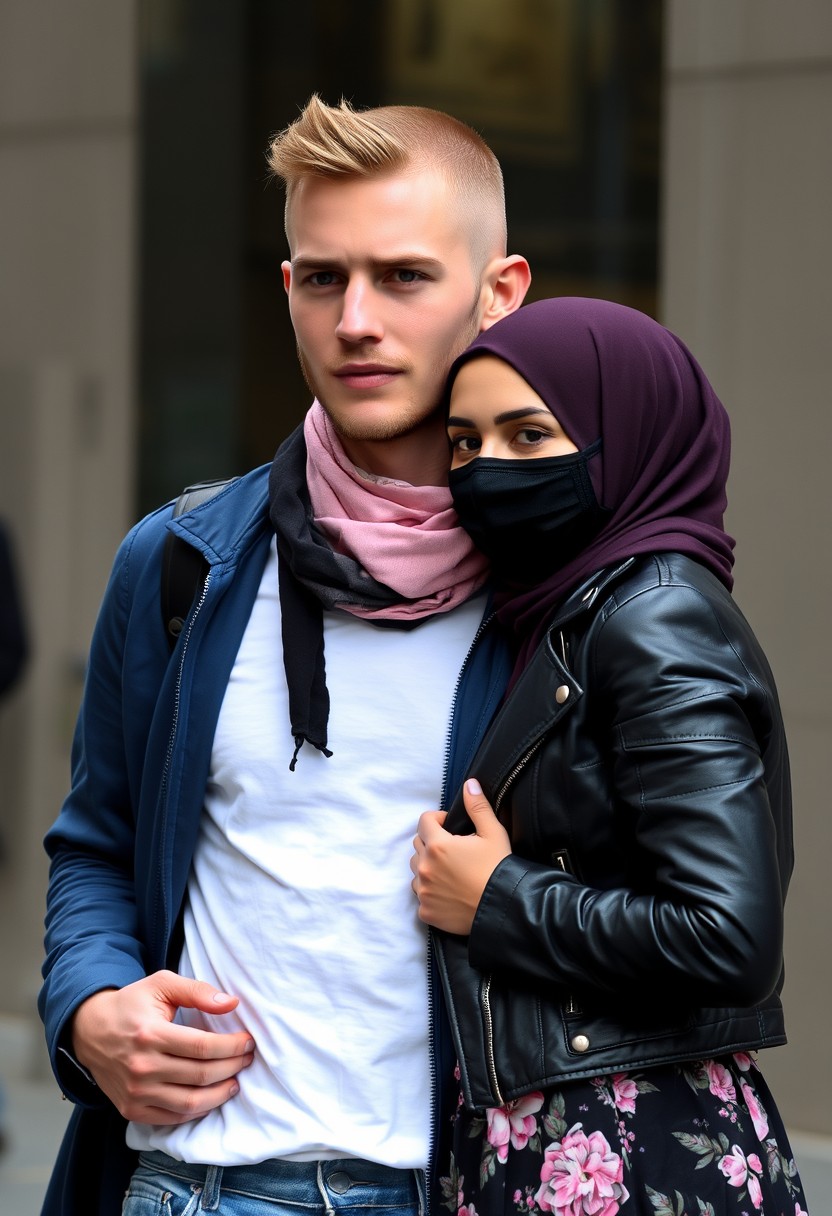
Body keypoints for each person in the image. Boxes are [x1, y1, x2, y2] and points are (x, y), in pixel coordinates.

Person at [37, 95, 530, 1216]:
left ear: (497, 293)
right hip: (199, 1186)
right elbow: (95, 846)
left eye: (403, 276)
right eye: (322, 277)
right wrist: (91, 1004)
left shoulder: (567, 598)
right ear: (288, 291)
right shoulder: (180, 563)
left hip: (459, 1188)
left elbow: (703, 916)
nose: (355, 318)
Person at [411, 297, 809, 1215]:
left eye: (530, 434)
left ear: (626, 436)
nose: (489, 471)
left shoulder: (656, 620)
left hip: (633, 1147)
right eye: (466, 445)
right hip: (563, 1133)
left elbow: (730, 937)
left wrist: (495, 899)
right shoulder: (557, 611)